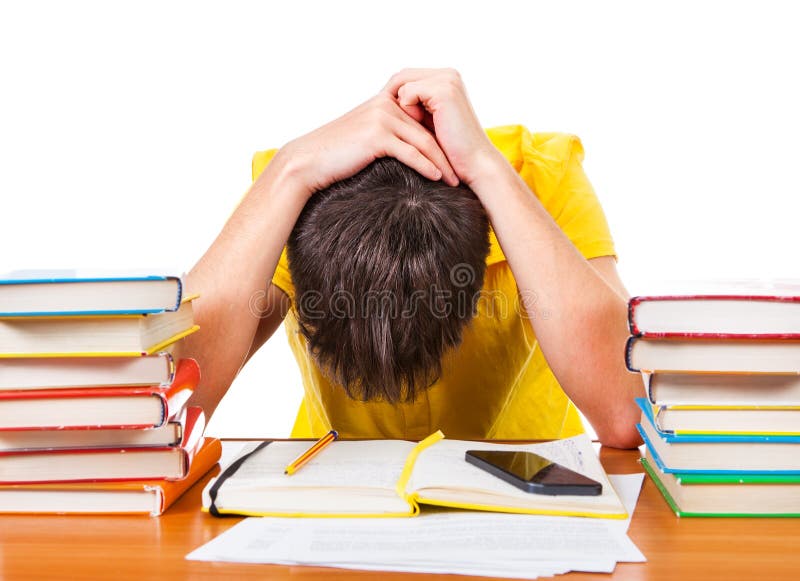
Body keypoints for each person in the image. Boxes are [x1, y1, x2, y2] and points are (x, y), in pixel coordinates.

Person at [178, 68, 643, 448]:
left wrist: (485, 167)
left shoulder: (544, 177)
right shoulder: (289, 192)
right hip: (336, 485)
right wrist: (291, 169)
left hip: (524, 488)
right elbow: (171, 404)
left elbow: (627, 412)